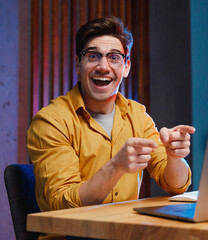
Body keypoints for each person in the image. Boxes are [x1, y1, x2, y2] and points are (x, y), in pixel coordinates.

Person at [27, 16, 195, 212]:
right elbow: (62, 203)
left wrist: (174, 156)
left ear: (126, 67)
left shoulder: (138, 115)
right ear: (77, 64)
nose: (103, 67)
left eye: (114, 57)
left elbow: (176, 186)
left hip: (125, 230)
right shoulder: (51, 121)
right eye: (93, 56)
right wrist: (116, 166)